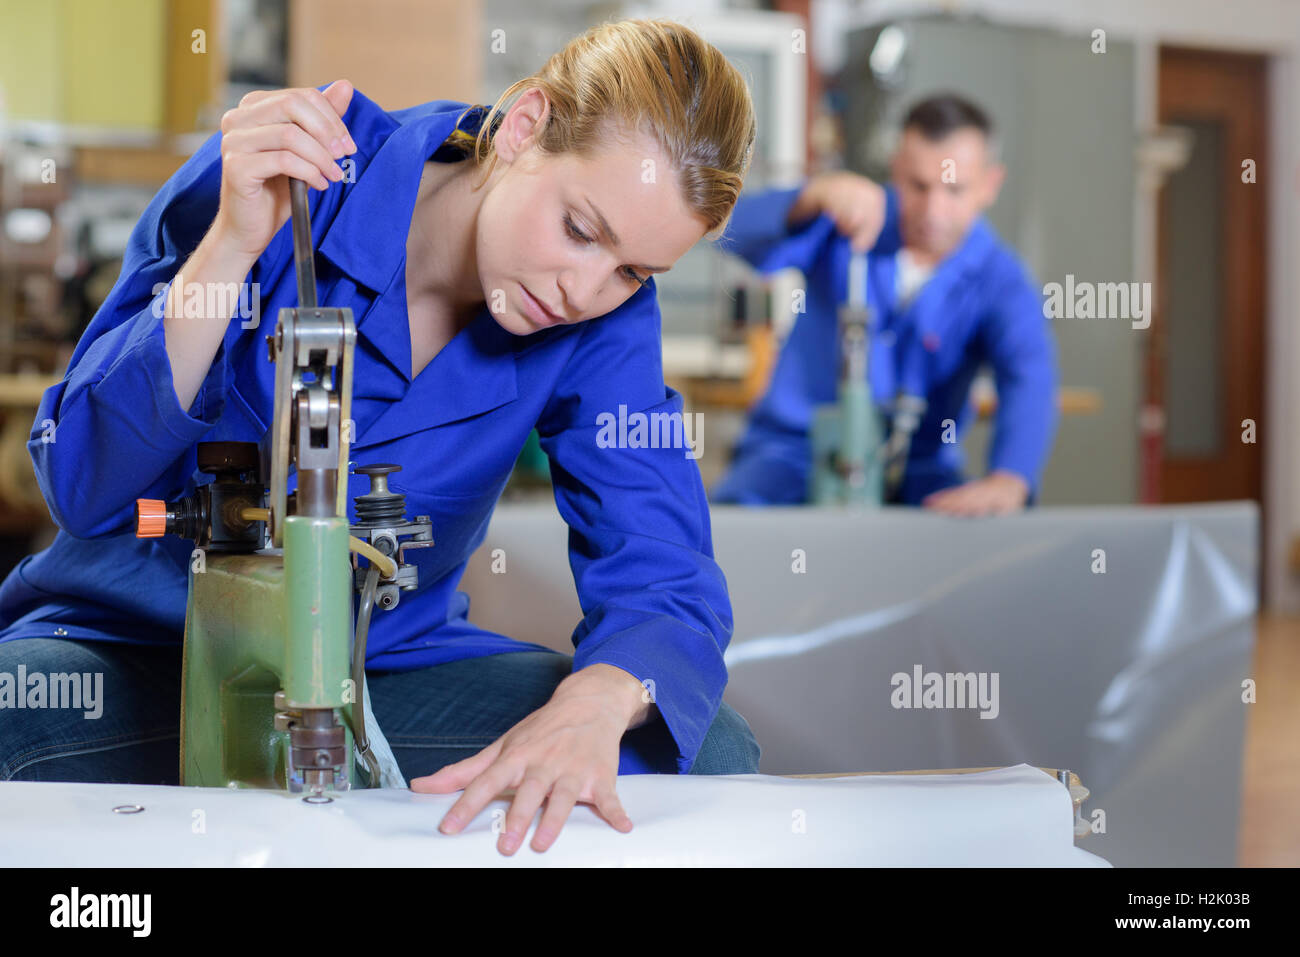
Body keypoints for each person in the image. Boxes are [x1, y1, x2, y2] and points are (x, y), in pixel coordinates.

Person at [0, 18, 760, 857]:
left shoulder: (601, 320)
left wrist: (600, 698)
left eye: (632, 271)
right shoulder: (287, 176)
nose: (585, 289)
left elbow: (662, 558)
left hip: (380, 675)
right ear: (523, 125)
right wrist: (229, 247)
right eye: (581, 229)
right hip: (137, 650)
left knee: (697, 747)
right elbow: (80, 484)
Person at [710, 94, 1058, 516]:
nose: (933, 210)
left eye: (954, 189)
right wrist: (810, 196)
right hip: (794, 455)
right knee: (730, 539)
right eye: (919, 185)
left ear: (990, 185)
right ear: (896, 170)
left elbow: (1029, 375)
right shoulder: (847, 222)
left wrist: (1011, 477)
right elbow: (727, 228)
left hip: (921, 472)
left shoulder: (1001, 280)